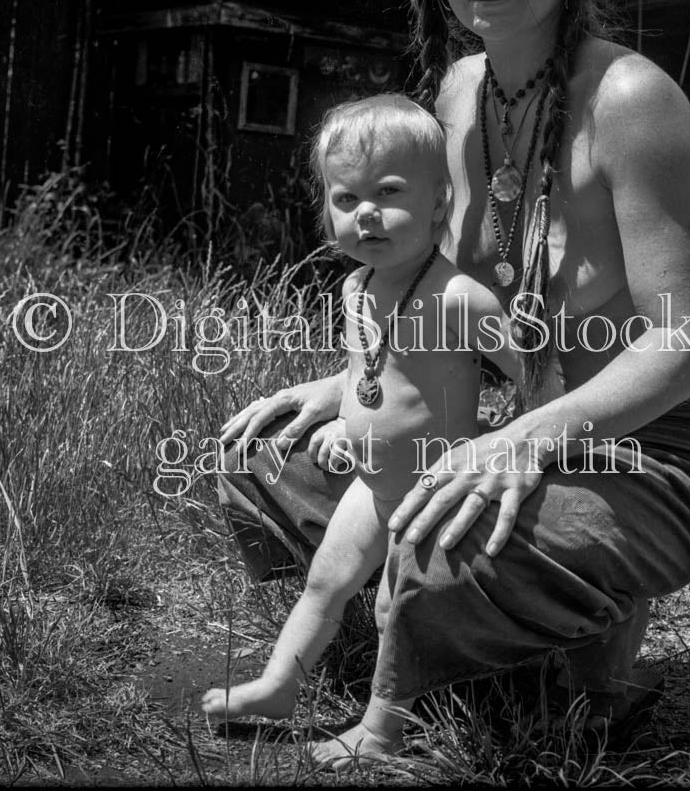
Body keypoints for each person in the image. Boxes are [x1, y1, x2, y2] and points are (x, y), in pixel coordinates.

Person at [215, 0, 690, 769]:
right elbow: (435, 291)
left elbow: (682, 344)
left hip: (649, 453)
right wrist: (345, 389)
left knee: (435, 552)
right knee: (259, 458)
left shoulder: (632, 101)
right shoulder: (457, 94)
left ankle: (494, 639)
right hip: (497, 436)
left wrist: (524, 439)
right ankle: (498, 640)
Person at [203, 94, 530, 737]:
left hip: (434, 489)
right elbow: (367, 377)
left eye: (388, 191)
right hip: (373, 486)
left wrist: (515, 443)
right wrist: (342, 428)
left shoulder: (460, 298)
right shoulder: (356, 289)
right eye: (346, 199)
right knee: (325, 584)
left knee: (392, 606)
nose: (367, 214)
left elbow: (535, 378)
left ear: (439, 203)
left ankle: (384, 727)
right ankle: (277, 686)